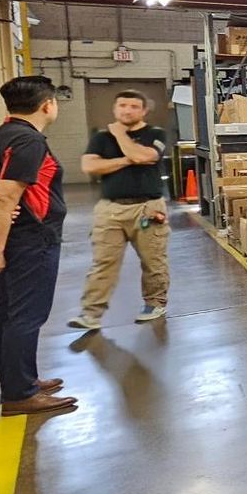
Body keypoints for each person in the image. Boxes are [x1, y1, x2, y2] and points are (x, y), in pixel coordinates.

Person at [0, 75, 74, 416]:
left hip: (9, 236)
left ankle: (19, 379)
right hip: (28, 240)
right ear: (47, 105)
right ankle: (20, 394)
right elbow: (6, 196)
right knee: (26, 314)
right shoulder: (28, 142)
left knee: (6, 311)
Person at [68, 90, 169, 330]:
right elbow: (89, 166)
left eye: (134, 106)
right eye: (122, 105)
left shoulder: (156, 134)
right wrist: (127, 159)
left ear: (144, 111)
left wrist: (121, 135)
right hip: (110, 210)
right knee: (103, 262)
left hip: (147, 208)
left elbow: (145, 156)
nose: (127, 110)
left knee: (153, 260)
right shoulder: (101, 138)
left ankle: (154, 303)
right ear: (115, 109)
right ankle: (91, 314)